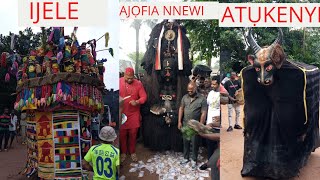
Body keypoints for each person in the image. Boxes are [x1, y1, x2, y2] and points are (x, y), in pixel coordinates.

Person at [119, 67, 147, 162]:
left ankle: (132, 152)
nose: (130, 80)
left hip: (134, 113)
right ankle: (123, 152)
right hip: (122, 113)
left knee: (133, 133)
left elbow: (144, 97)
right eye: (128, 78)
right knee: (122, 134)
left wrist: (137, 101)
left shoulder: (138, 84)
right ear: (124, 75)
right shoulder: (119, 82)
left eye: (131, 78)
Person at [178, 82, 207, 169]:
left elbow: (203, 113)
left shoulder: (202, 99)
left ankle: (194, 159)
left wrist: (200, 125)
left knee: (195, 143)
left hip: (195, 125)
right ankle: (186, 158)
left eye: (191, 91)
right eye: (188, 91)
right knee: (185, 142)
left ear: (195, 89)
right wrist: (179, 121)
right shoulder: (184, 97)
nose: (189, 92)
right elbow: (181, 108)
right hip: (185, 123)